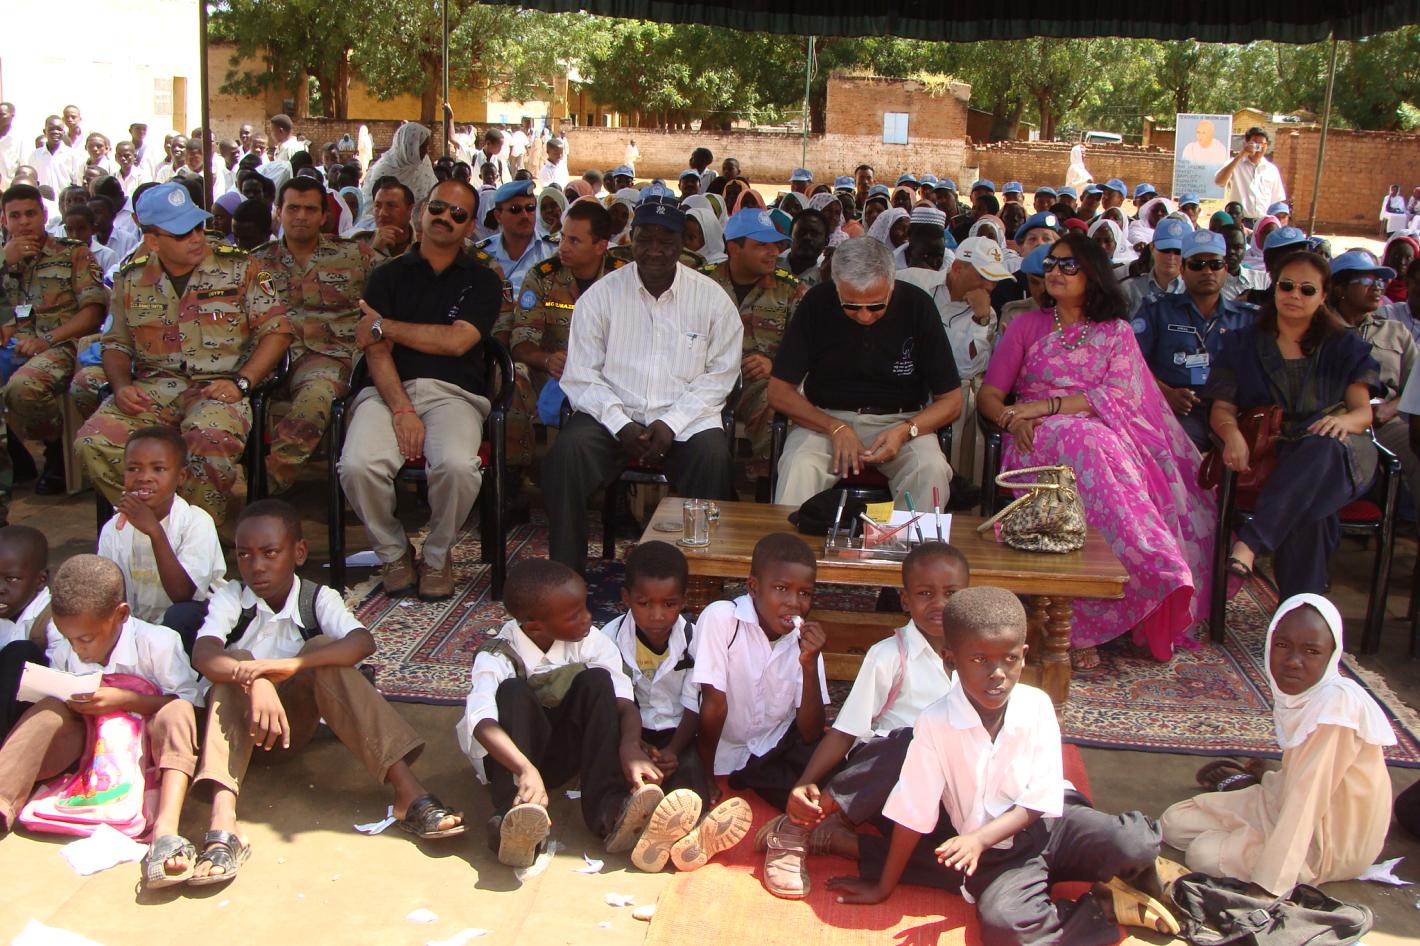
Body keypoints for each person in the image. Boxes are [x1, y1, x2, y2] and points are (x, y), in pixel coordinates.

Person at [829, 587, 1175, 944]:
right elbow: (912, 811)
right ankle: (1103, 909)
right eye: (980, 659)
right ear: (951, 660)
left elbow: (1040, 801)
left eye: (1009, 658)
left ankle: (1137, 875)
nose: (997, 673)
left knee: (1134, 843)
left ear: (1023, 656)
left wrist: (977, 839)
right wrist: (884, 887)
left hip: (1054, 824)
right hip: (998, 857)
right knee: (1005, 928)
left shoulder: (1036, 705)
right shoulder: (935, 723)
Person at [190, 499, 463, 884]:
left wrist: (287, 667)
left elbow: (362, 642)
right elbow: (203, 654)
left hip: (289, 729)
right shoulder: (232, 597)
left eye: (270, 553)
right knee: (232, 661)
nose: (257, 566)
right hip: (237, 732)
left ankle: (408, 793)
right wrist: (253, 677)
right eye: (245, 555)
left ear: (299, 553)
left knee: (322, 651)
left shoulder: (317, 598)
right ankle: (223, 821)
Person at [978, 233, 1214, 667]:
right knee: (1086, 442)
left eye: (1068, 265)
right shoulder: (1026, 326)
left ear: (1093, 274)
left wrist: (1048, 405)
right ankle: (1144, 560)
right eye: (1050, 264)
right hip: (1034, 442)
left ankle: (1137, 567)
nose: (1056, 272)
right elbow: (990, 396)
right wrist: (1014, 419)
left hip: (1104, 439)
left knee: (1093, 443)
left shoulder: (1116, 332)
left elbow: (1121, 396)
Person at [456, 558, 696, 869]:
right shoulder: (497, 655)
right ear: (534, 626)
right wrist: (525, 768)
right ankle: (511, 818)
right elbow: (482, 722)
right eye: (575, 615)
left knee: (598, 681)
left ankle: (609, 811)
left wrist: (630, 747)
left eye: (585, 607)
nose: (588, 618)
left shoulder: (589, 640)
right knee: (512, 691)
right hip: (513, 761)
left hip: (560, 757)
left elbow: (624, 702)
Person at [544, 197, 741, 574]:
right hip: (611, 416)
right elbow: (582, 375)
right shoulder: (600, 297)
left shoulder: (713, 300)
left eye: (666, 241)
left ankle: (704, 578)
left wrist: (672, 423)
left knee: (714, 458)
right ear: (629, 239)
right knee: (566, 456)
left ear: (682, 244)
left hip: (686, 420)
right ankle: (565, 578)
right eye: (645, 239)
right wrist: (621, 424)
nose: (654, 249)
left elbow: (721, 376)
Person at [75, 183, 292, 525]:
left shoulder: (241, 267)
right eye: (181, 233)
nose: (196, 238)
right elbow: (115, 343)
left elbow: (277, 331)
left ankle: (194, 538)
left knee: (209, 440)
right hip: (153, 388)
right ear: (152, 240)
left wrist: (243, 383)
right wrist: (121, 386)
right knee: (93, 442)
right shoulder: (131, 278)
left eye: (198, 227)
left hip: (219, 388)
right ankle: (156, 527)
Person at [761, 543, 967, 900]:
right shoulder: (889, 656)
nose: (939, 604)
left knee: (966, 863)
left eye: (951, 594)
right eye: (925, 594)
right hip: (885, 779)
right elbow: (844, 732)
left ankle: (845, 843)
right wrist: (804, 787)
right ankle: (798, 827)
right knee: (917, 741)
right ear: (905, 600)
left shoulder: (975, 655)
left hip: (941, 793)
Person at [1162, 594, 1394, 894]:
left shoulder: (1336, 711)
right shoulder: (1304, 695)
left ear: (1331, 656)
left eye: (1311, 651)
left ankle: (1258, 838)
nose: (1293, 662)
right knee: (1174, 823)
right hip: (1284, 799)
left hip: (1329, 838)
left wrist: (1267, 886)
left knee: (1203, 854)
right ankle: (1254, 809)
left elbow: (1306, 803)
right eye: (1283, 645)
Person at [0, 555, 203, 890]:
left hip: (149, 752)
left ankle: (166, 833)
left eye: (86, 640)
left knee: (177, 712)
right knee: (50, 708)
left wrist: (126, 700)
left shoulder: (158, 643)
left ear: (121, 615)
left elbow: (191, 707)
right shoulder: (69, 649)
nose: (77, 650)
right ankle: (3, 798)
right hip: (91, 750)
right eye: (69, 639)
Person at [339, 180, 499, 600]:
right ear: (422, 210)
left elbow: (458, 341)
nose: (445, 218)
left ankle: (437, 555)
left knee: (458, 468)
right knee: (357, 465)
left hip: (454, 395)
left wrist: (385, 325)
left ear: (470, 226)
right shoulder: (386, 275)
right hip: (387, 392)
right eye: (439, 207)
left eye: (458, 214)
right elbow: (375, 350)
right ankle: (393, 552)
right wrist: (402, 409)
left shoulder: (483, 279)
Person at [1207, 251, 1381, 598]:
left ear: (1324, 294)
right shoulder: (1243, 343)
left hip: (1340, 451)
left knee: (1322, 446)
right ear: (1275, 288)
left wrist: (1342, 421)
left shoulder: (1345, 345)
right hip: (1273, 451)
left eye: (1307, 289)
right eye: (1286, 286)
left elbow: (1363, 413)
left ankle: (1252, 541)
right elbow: (1221, 407)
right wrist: (1231, 434)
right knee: (1313, 509)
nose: (1294, 295)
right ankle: (1301, 608)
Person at [769, 237, 961, 509]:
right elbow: (779, 391)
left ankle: (913, 539)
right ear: (836, 286)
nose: (864, 316)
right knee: (798, 466)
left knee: (930, 470)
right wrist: (834, 427)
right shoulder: (817, 303)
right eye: (851, 306)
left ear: (891, 285)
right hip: (825, 420)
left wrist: (907, 430)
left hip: (902, 420)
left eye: (876, 306)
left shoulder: (917, 305)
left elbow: (951, 400)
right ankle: (791, 539)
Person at [251, 176, 374, 494]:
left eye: (310, 209)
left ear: (324, 216)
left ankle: (263, 486)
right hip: (267, 358)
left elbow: (397, 283)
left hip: (328, 359)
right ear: (279, 212)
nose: (301, 216)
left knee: (316, 396)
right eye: (293, 208)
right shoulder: (256, 262)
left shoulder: (355, 256)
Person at [694, 533, 828, 816]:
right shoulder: (722, 619)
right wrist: (705, 776)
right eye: (781, 588)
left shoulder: (804, 642)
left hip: (773, 748)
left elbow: (811, 732)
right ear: (753, 588)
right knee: (682, 781)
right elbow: (714, 706)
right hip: (720, 748)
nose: (794, 603)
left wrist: (809, 665)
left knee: (832, 766)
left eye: (805, 593)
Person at [1, 183, 109, 497]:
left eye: (30, 214)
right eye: (15, 216)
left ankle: (55, 449)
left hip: (62, 344)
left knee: (24, 388)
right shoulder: (4, 258)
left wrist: (47, 340)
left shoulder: (73, 253)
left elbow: (93, 313)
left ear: (44, 215)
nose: (24, 222)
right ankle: (15, 456)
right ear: (3, 220)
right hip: (12, 344)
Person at [96, 426, 224, 651]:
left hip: (188, 627)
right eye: (133, 469)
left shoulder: (196, 522)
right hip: (137, 629)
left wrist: (154, 531)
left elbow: (183, 595)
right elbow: (109, 594)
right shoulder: (113, 529)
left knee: (180, 615)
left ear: (181, 476)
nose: (144, 477)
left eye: (158, 469)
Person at [1132, 229, 1259, 450]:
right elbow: (1132, 361)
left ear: (1225, 269)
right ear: (1182, 270)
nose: (1207, 271)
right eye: (1197, 265)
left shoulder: (1247, 318)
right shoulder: (1157, 311)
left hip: (1234, 411)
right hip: (1175, 411)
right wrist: (1164, 392)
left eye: (1215, 264)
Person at [705, 208, 805, 467]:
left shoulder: (790, 290)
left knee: (776, 406)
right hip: (701, 378)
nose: (773, 252)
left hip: (755, 383)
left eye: (776, 245)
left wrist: (776, 367)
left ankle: (764, 483)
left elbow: (807, 348)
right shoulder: (702, 282)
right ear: (734, 249)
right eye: (762, 245)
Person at [513, 199, 624, 418]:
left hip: (612, 377)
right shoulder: (542, 277)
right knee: (515, 375)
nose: (563, 247)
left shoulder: (623, 278)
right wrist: (547, 360)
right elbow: (521, 342)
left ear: (601, 246)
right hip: (553, 377)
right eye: (563, 237)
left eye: (574, 241)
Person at [1327, 250, 1419, 505]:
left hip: (1387, 421)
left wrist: (1392, 408)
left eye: (1380, 281)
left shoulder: (1395, 331)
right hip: (1337, 420)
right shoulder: (1321, 330)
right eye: (1367, 281)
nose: (1377, 287)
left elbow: (1415, 385)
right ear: (1340, 288)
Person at [0, 525, 50, 741]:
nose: (0, 588)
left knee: (21, 652)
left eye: (11, 579)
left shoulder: (55, 619)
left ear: (40, 580)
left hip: (31, 716)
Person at [476, 179, 558, 304]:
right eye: (515, 209)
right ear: (498, 216)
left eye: (530, 208)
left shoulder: (555, 251)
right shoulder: (481, 253)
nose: (525, 215)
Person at [1215, 127, 1287, 225]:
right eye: (1255, 143)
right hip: (1240, 221)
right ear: (1246, 143)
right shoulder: (1235, 164)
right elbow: (1219, 182)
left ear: (1267, 146)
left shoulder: (1272, 170)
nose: (1259, 147)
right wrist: (1240, 156)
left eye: (1262, 144)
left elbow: (1277, 200)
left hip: (1264, 222)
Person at [361, 123, 437, 207]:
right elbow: (372, 206)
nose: (426, 151)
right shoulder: (384, 169)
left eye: (426, 147)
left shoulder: (424, 163)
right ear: (408, 145)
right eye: (422, 147)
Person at [1121, 218, 1187, 315]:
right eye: (1165, 249)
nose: (1171, 256)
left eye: (1178, 251)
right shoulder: (1128, 290)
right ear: (1152, 248)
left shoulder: (1196, 292)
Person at [355, 177, 416, 260]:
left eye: (391, 206)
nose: (382, 213)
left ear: (410, 209)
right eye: (377, 206)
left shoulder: (424, 246)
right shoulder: (359, 243)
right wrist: (374, 250)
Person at [26, 115, 82, 197]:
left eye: (59, 129)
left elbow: (77, 182)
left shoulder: (72, 155)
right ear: (44, 131)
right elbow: (31, 180)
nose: (55, 132)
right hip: (42, 200)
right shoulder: (35, 156)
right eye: (51, 129)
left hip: (65, 200)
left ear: (64, 132)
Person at [783, 208, 827, 286]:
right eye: (801, 232)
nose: (807, 237)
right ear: (789, 236)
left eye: (814, 234)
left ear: (826, 242)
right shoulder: (770, 266)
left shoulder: (826, 280)